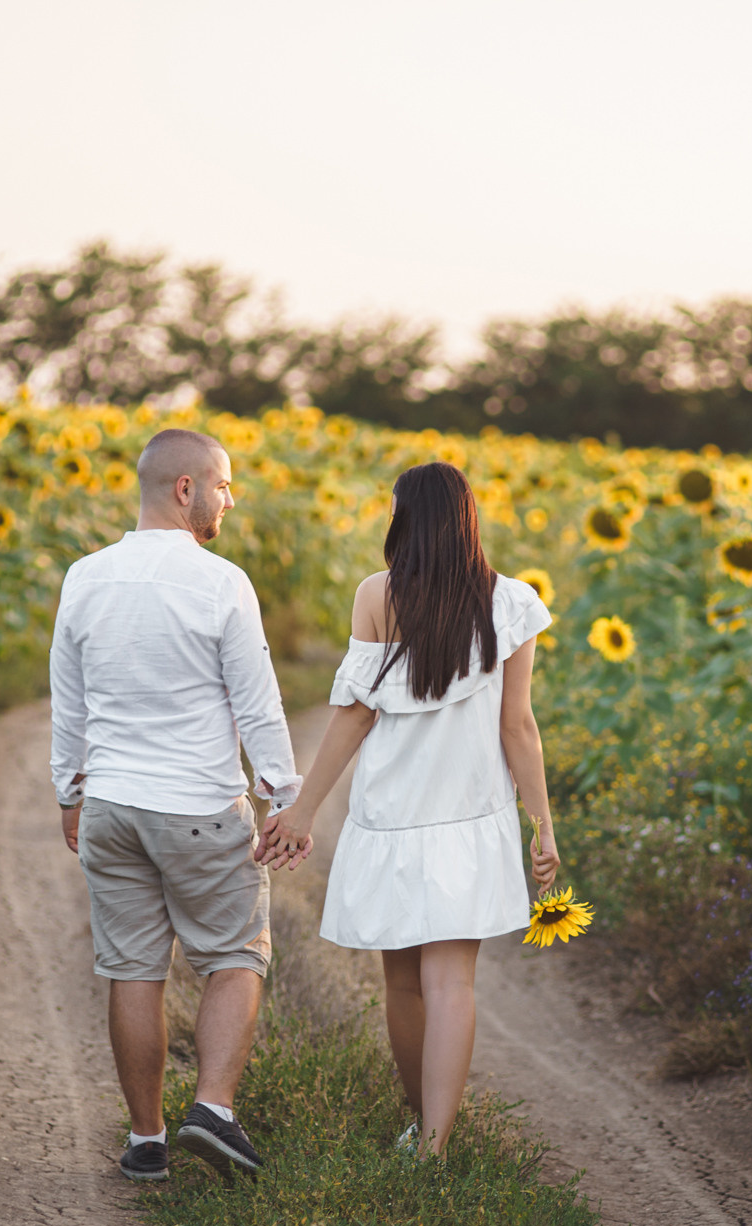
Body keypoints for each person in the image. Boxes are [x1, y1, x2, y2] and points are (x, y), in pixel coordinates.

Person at [259, 461, 560, 1158]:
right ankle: (435, 1142)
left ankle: (419, 1123)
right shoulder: (512, 602)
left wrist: (303, 808)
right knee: (452, 979)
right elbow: (520, 726)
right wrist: (541, 821)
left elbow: (353, 715)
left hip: (391, 814)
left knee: (402, 980)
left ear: (406, 520)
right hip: (471, 815)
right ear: (466, 518)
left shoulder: (377, 595)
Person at [49, 428, 301, 1183]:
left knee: (133, 968)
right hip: (197, 803)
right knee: (233, 955)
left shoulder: (84, 576)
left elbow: (70, 700)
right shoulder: (221, 581)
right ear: (184, 489)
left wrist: (70, 790)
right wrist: (284, 795)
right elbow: (257, 705)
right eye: (224, 485)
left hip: (112, 806)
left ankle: (146, 1139)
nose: (231, 498)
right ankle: (214, 1110)